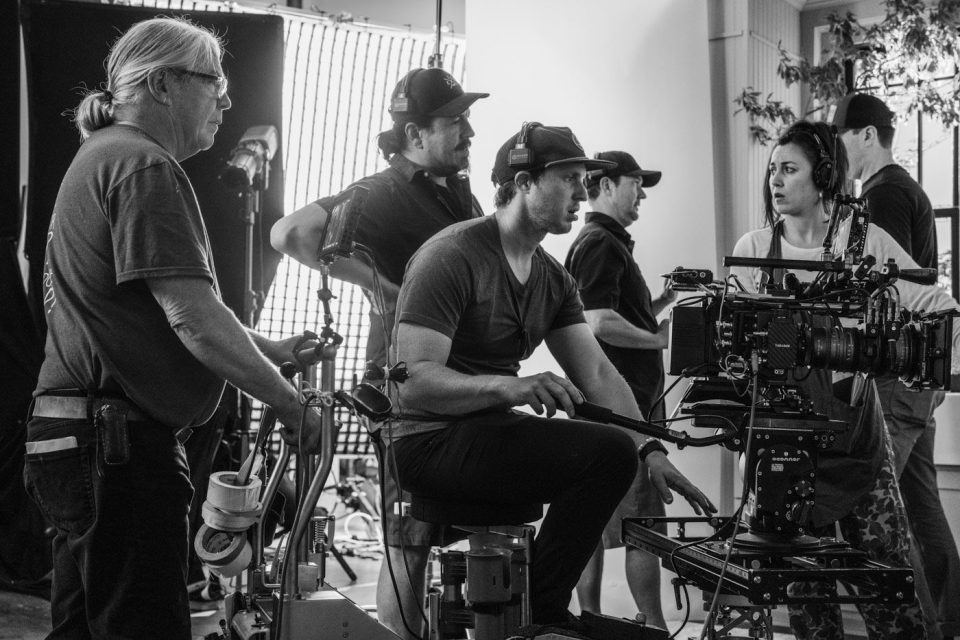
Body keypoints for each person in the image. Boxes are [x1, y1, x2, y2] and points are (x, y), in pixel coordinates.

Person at [23, 18, 322, 639]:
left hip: (72, 439)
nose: (228, 100)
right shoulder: (141, 163)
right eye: (214, 81)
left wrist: (267, 350)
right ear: (161, 84)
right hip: (115, 449)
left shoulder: (99, 157)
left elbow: (148, 308)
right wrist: (293, 407)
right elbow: (193, 317)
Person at [387, 123, 716, 632]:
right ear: (523, 182)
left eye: (585, 179)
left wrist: (651, 451)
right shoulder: (452, 255)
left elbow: (600, 372)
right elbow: (414, 382)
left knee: (612, 452)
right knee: (604, 453)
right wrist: (511, 387)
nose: (582, 193)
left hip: (484, 429)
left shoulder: (552, 277)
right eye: (568, 179)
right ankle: (542, 612)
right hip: (426, 437)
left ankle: (537, 611)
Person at [270, 67, 487, 639]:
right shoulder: (380, 191)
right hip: (406, 386)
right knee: (408, 540)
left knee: (454, 529)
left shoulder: (458, 193)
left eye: (468, 118)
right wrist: (382, 287)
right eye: (454, 120)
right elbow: (290, 233)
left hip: (463, 380)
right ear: (415, 133)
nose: (468, 131)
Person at [730, 120, 960, 640]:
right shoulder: (754, 249)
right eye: (773, 169)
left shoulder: (866, 244)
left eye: (789, 169)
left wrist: (930, 367)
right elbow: (732, 347)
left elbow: (938, 304)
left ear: (824, 175)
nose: (776, 180)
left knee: (888, 588)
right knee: (808, 604)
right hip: (781, 447)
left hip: (855, 439)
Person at [834, 92, 960, 640]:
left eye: (840, 139)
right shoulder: (908, 189)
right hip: (922, 378)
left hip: (898, 377)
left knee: (871, 509)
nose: (838, 154)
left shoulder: (881, 198)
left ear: (865, 135)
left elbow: (891, 294)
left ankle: (921, 629)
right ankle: (948, 622)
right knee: (919, 504)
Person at [563, 151, 672, 628]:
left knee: (593, 520)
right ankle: (654, 626)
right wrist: (657, 338)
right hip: (622, 411)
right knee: (642, 525)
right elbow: (597, 321)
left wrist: (662, 303)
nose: (642, 192)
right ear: (605, 185)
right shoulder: (601, 243)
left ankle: (590, 622)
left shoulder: (602, 243)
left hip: (610, 406)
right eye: (635, 182)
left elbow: (608, 309)